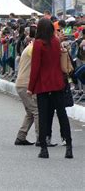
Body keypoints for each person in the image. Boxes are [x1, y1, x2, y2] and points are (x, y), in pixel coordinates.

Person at [28, 18, 73, 159]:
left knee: (43, 116)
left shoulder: (38, 44)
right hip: (58, 83)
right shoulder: (55, 42)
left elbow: (35, 68)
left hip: (43, 84)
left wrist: (30, 87)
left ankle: (44, 149)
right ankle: (69, 146)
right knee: (62, 114)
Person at [14, 26, 38, 146]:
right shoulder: (33, 48)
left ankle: (21, 136)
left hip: (22, 83)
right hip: (26, 84)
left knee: (30, 112)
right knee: (36, 111)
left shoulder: (29, 47)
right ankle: (41, 138)